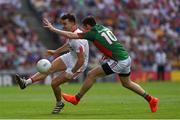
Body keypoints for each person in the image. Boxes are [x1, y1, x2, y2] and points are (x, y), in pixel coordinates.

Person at [43, 16, 159, 113]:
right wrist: (107, 53)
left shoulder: (92, 33)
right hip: (125, 57)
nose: (83, 30)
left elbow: (71, 35)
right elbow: (111, 42)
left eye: (84, 28)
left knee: (91, 74)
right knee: (127, 83)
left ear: (88, 26)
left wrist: (53, 29)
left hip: (119, 61)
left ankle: (76, 99)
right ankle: (151, 100)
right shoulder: (103, 28)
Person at [15, 13, 89, 114]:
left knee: (54, 83)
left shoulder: (79, 40)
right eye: (62, 23)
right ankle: (26, 83)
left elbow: (81, 60)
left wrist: (72, 71)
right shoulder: (73, 33)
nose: (63, 26)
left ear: (72, 23)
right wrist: (56, 51)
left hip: (78, 65)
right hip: (71, 56)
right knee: (48, 68)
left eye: (65, 23)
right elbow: (69, 45)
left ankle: (59, 103)